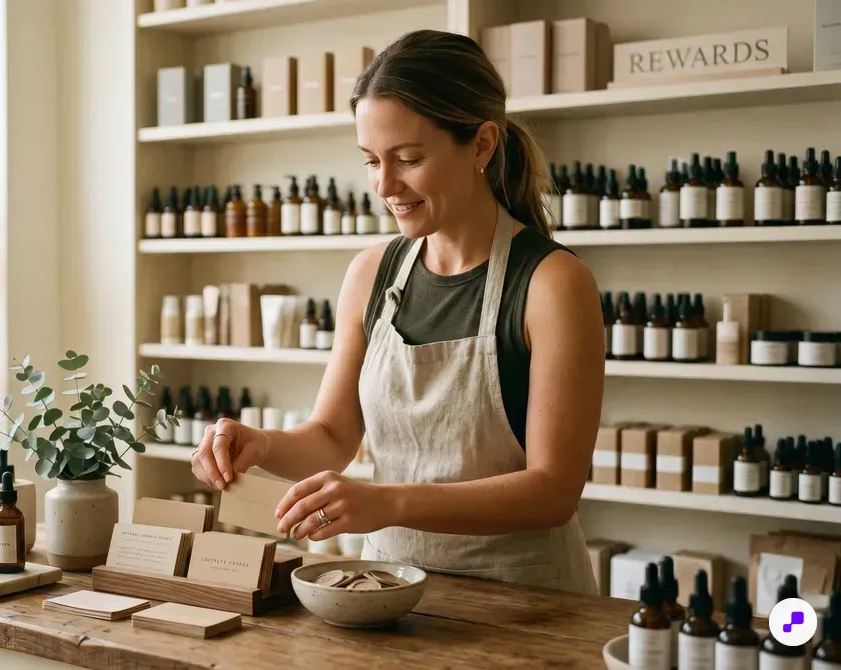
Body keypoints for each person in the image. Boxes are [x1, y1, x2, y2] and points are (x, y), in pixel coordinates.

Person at [189, 29, 604, 594]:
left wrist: (388, 501)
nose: (385, 185)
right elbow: (333, 435)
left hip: (524, 598)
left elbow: (553, 492)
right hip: (387, 590)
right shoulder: (371, 273)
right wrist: (262, 444)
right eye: (370, 161)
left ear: (482, 145)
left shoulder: (553, 285)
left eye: (408, 158)